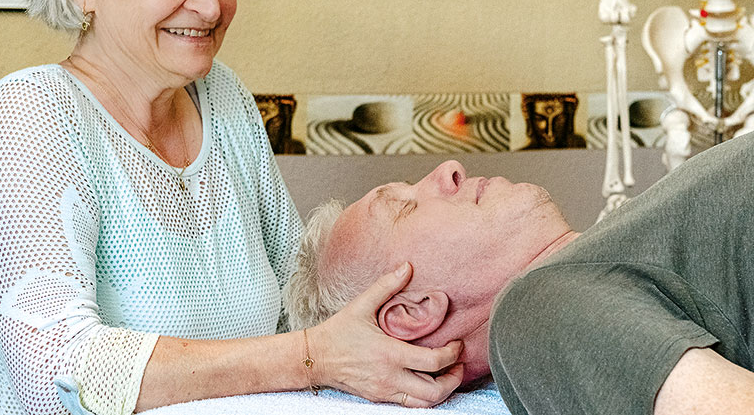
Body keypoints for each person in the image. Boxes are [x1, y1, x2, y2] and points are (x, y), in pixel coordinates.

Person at [0, 0, 463, 413]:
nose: (210, 5)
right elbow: (56, 375)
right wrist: (312, 357)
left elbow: (298, 309)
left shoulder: (223, 98)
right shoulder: (29, 112)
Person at [286, 133, 754, 414]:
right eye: (406, 204)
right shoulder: (533, 316)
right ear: (412, 311)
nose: (449, 169)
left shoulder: (600, 263)